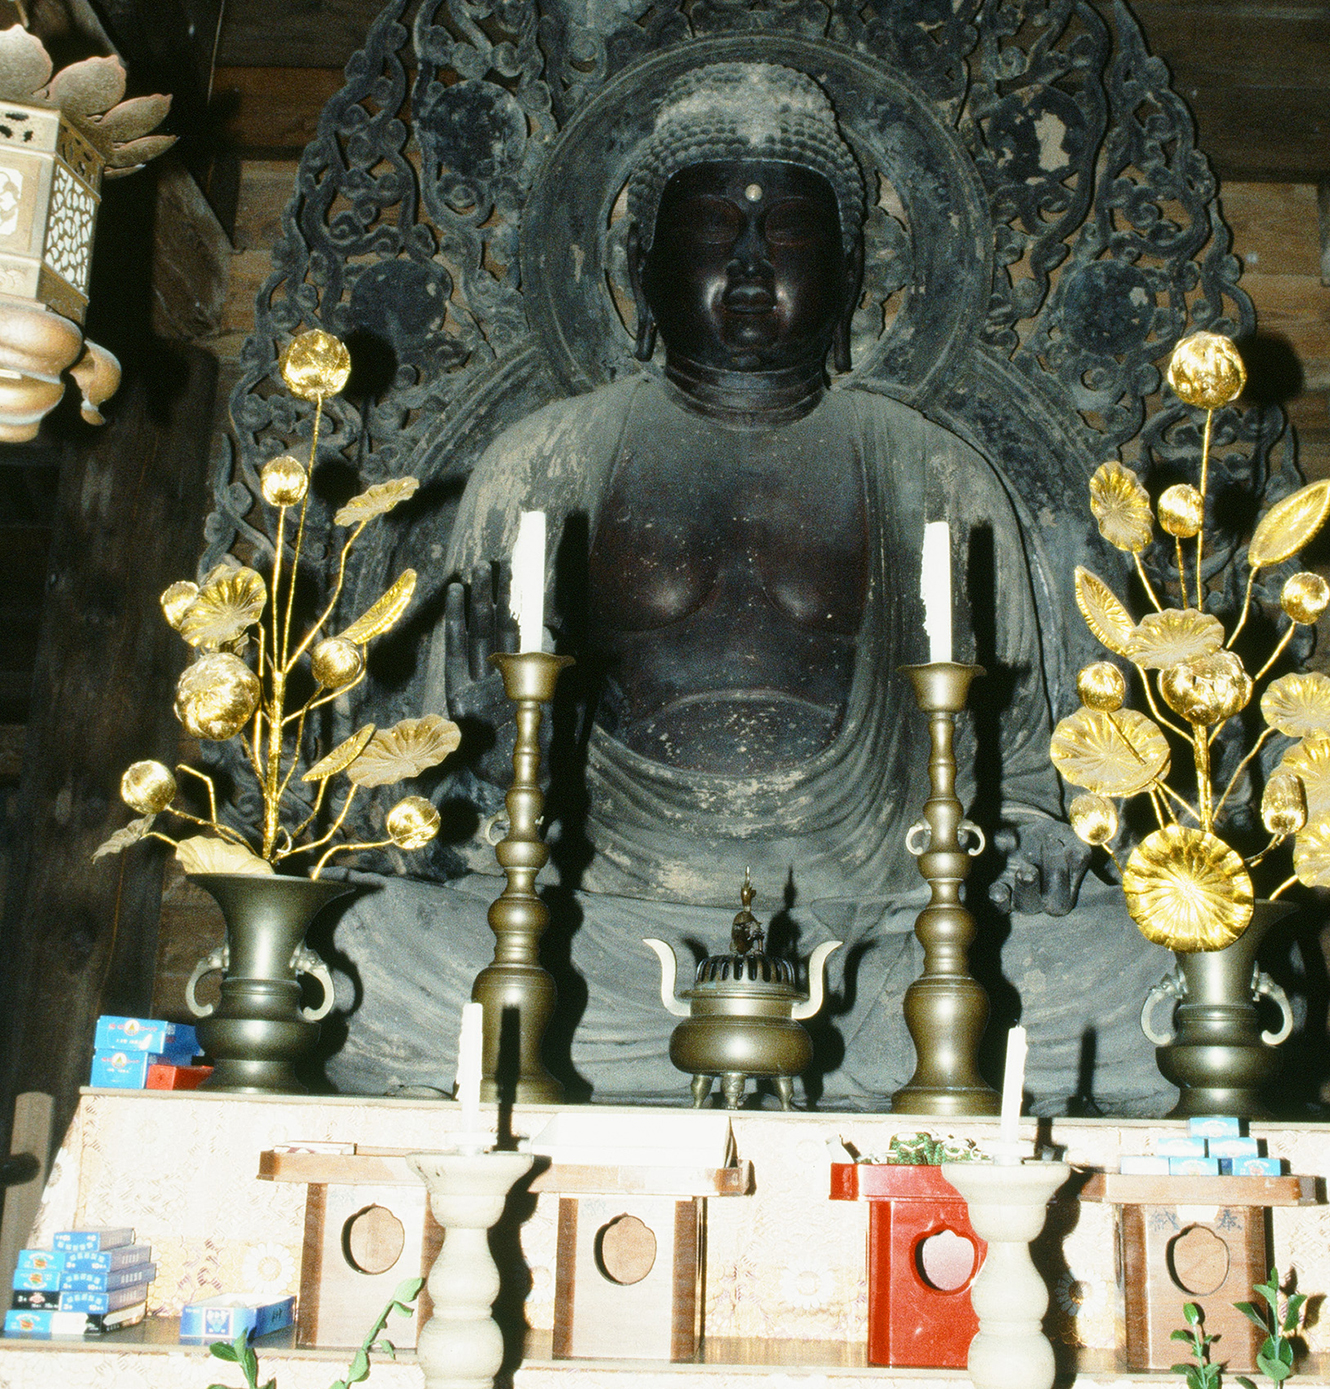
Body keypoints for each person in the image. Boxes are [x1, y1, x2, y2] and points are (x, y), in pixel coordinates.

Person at [398, 59, 1170, 1110]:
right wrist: (476, 773)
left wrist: (1034, 831)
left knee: (1144, 970)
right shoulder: (544, 462)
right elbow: (442, 780)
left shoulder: (935, 471)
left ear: (851, 273)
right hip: (602, 921)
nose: (753, 265)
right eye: (713, 232)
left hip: (884, 925)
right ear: (639, 265)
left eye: (792, 235)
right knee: (386, 949)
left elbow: (1021, 754)